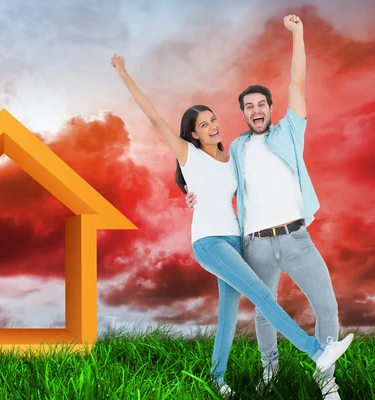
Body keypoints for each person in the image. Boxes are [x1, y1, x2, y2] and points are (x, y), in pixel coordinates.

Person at [111, 44, 353, 398]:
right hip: (217, 242)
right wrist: (124, 75)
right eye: (203, 124)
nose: (211, 126)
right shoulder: (196, 152)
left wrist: (188, 193)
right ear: (193, 133)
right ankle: (312, 352)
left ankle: (218, 377)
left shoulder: (236, 153)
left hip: (246, 240)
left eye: (213, 120)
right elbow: (156, 120)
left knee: (229, 316)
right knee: (262, 300)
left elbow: (249, 182)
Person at [184, 15, 345, 399]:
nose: (255, 110)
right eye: (248, 106)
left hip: (295, 237)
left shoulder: (290, 132)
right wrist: (193, 195)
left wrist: (298, 34)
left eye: (261, 104)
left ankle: (326, 378)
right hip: (254, 243)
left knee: (327, 306)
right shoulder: (236, 148)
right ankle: (269, 371)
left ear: (271, 108)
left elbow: (298, 81)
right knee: (261, 309)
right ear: (242, 113)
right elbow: (213, 177)